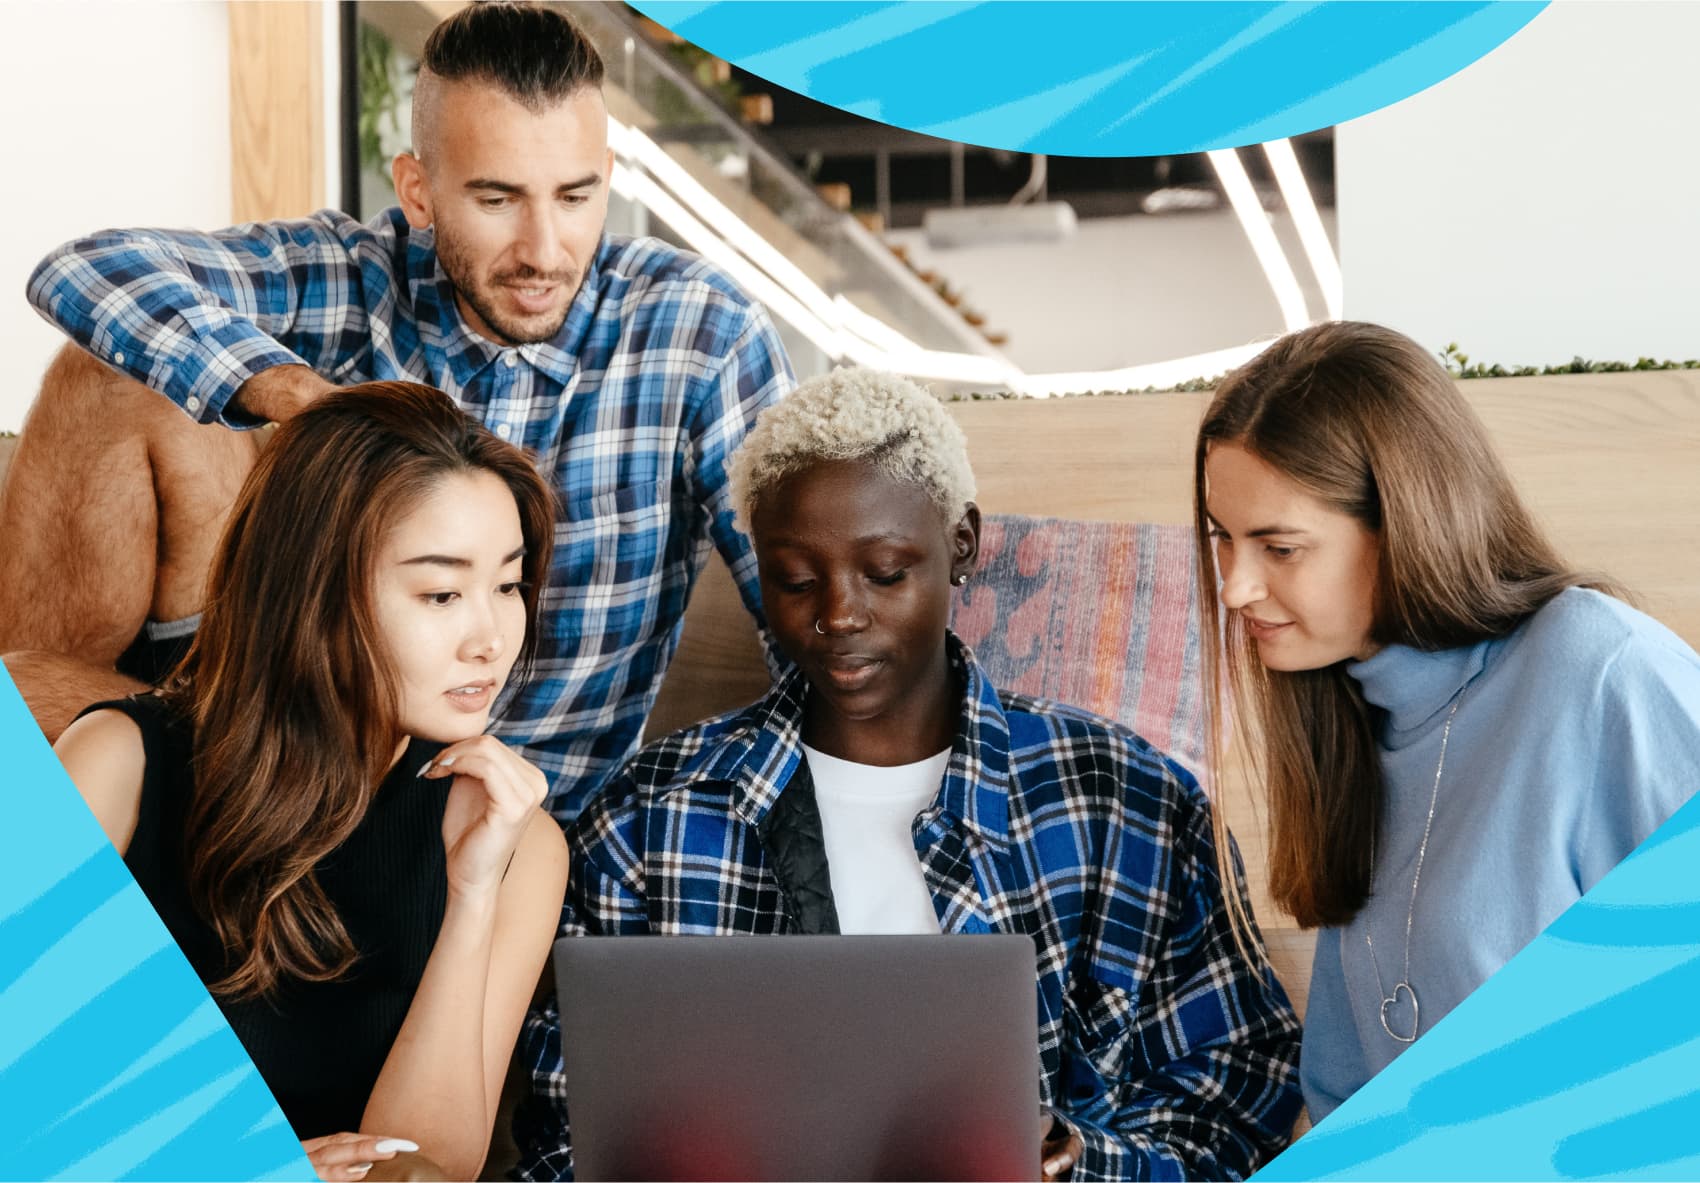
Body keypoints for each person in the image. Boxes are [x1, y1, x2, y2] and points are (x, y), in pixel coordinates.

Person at [6, 1, 791, 822]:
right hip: (291, 764)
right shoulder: (353, 279)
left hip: (514, 824)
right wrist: (304, 400)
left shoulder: (702, 333)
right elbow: (86, 269)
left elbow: (807, 610)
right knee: (106, 370)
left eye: (574, 195)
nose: (544, 250)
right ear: (418, 190)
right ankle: (76, 831)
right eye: (497, 200)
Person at [514, 369, 1303, 1181]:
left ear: (962, 543)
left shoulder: (1130, 804)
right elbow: (565, 1128)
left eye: (886, 572)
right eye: (794, 579)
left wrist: (1074, 1160)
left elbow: (1244, 1084)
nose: (840, 614)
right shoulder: (649, 818)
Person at [53, 382, 569, 1182]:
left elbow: (425, 1163)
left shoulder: (519, 840)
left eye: (507, 584)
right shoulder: (119, 762)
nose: (492, 638)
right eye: (441, 593)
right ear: (313, 590)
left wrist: (470, 894)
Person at [1192, 320, 1700, 1123]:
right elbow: (1346, 1101)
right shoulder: (1352, 729)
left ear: (1405, 527)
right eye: (1223, 539)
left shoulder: (1597, 668)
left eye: (1279, 547)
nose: (1235, 587)